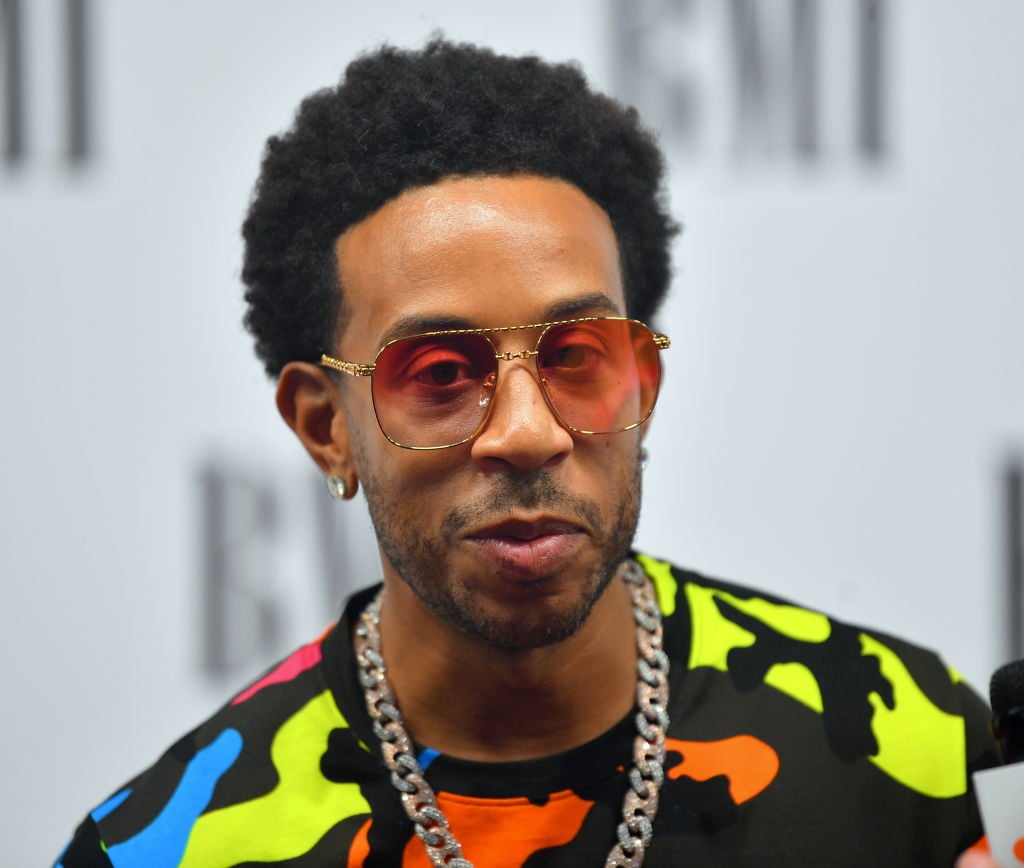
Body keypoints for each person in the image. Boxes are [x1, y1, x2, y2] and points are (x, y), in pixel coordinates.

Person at [57, 39, 1001, 867]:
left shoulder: (922, 759)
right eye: (439, 372)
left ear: (643, 387)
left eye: (578, 358)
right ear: (324, 425)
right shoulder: (170, 846)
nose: (527, 432)